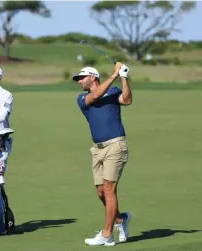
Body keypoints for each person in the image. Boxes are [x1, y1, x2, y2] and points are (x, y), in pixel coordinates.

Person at [73, 62, 133, 246]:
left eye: (82, 77)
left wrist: (123, 77)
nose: (79, 81)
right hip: (97, 149)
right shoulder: (82, 98)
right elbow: (96, 96)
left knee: (109, 189)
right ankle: (121, 220)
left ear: (93, 77)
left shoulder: (113, 91)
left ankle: (107, 234)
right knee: (100, 191)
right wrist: (115, 74)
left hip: (116, 145)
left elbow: (127, 100)